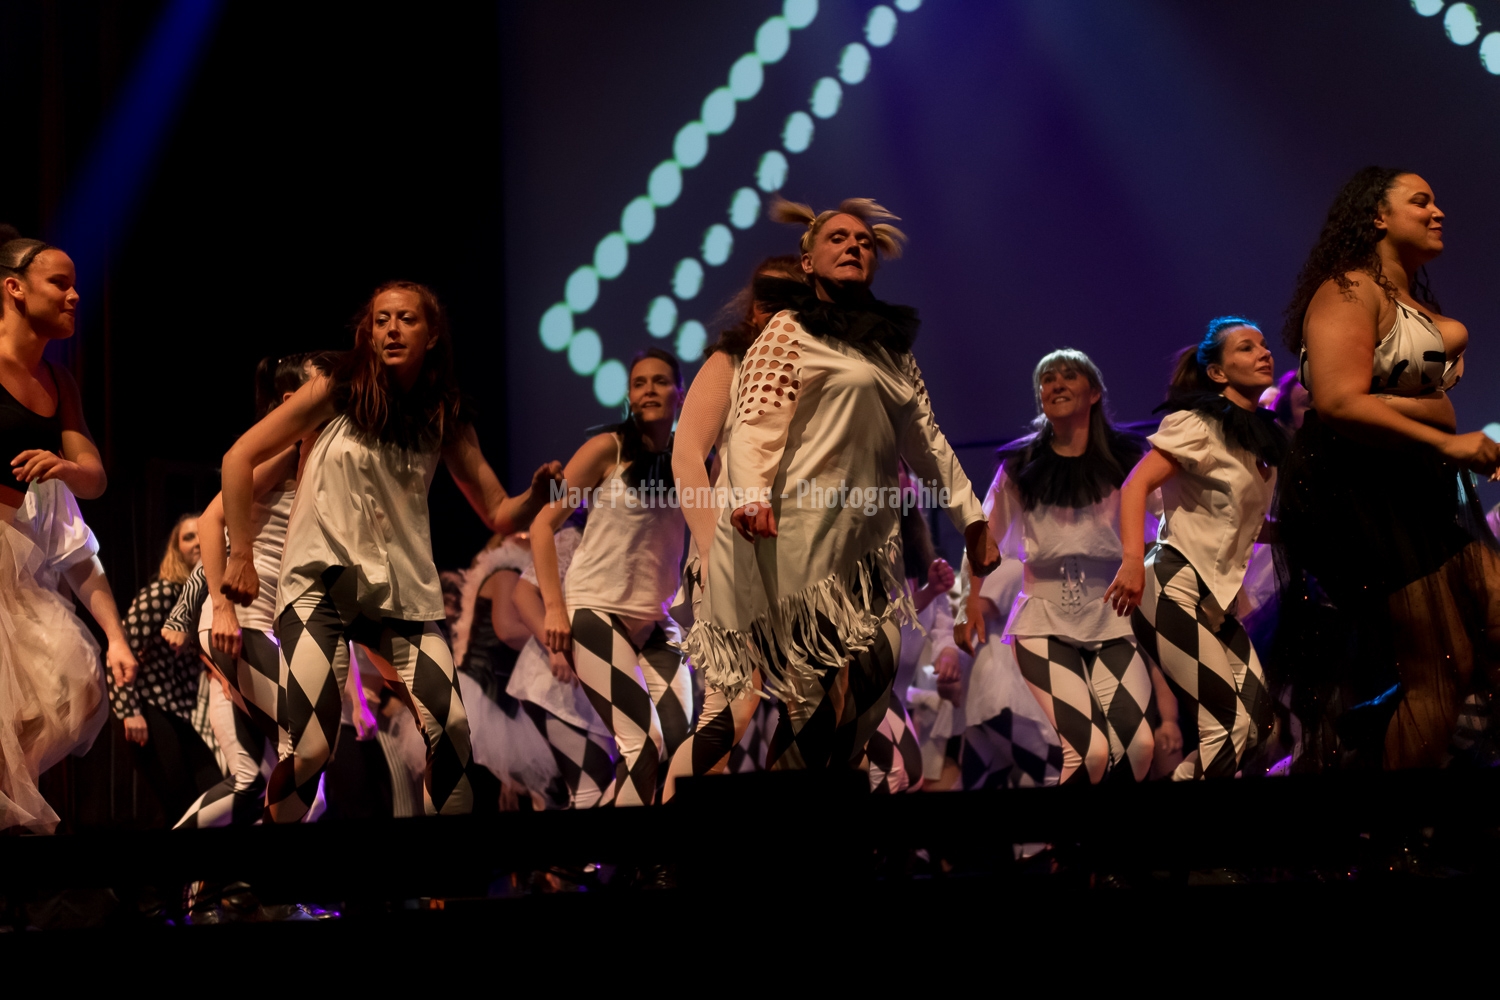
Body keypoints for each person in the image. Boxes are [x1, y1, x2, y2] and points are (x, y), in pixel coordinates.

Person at [218, 280, 561, 821]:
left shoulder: (444, 415)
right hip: (319, 586)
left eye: (406, 319)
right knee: (312, 750)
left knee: (452, 729)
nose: (392, 330)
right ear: (368, 332)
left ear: (432, 335)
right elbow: (239, 457)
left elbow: (499, 512)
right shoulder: (336, 387)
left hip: (399, 594)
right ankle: (274, 852)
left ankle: (435, 865)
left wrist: (538, 496)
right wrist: (240, 556)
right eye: (382, 320)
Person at [683, 198, 998, 774]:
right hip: (799, 543)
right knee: (811, 705)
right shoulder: (789, 330)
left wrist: (972, 518)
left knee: (870, 689)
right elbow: (754, 423)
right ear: (807, 262)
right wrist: (749, 496)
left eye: (864, 242)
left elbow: (926, 440)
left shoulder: (890, 347)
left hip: (868, 551)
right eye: (838, 238)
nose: (854, 245)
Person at [1276, 167, 1500, 769]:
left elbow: (1422, 399)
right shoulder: (1348, 289)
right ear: (1377, 216)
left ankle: (1365, 737)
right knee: (1439, 669)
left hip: (1409, 483)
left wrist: (1442, 429)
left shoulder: (1410, 304)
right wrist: (1449, 444)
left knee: (1488, 628)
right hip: (1355, 487)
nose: (1437, 212)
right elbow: (1338, 400)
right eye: (1420, 201)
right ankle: (1369, 790)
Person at [957, 349, 1167, 785]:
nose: (1056, 384)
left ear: (1094, 393)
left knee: (1140, 746)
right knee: (1090, 753)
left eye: (1069, 375)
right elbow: (983, 535)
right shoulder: (1020, 465)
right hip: (1044, 621)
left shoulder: (1128, 458)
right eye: (1047, 379)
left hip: (1113, 618)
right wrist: (968, 601)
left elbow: (1170, 520)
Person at [0, 231, 137, 833]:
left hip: (17, 565)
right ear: (15, 288)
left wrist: (117, 637)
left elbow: (94, 481)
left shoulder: (59, 383)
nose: (75, 296)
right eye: (59, 283)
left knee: (77, 686)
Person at [1106, 318, 1283, 780]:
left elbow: (1243, 525)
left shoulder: (1253, 441)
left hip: (1212, 603)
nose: (1264, 353)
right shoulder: (1199, 425)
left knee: (1258, 726)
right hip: (1168, 588)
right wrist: (1131, 560)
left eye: (1264, 345)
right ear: (1218, 373)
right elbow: (1135, 486)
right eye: (1246, 348)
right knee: (1228, 722)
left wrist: (1299, 532)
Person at [532, 347, 692, 807]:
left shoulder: (690, 456)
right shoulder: (608, 449)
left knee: (680, 747)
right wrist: (554, 609)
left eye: (660, 381)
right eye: (639, 383)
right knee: (643, 744)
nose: (649, 390)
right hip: (597, 612)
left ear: (680, 393)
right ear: (629, 395)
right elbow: (543, 525)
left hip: (658, 619)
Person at [174, 354, 324, 828]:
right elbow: (210, 520)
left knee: (298, 776)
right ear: (293, 400)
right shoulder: (286, 452)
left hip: (270, 629)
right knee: (306, 748)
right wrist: (221, 610)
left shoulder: (319, 456)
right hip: (241, 624)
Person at [111, 514, 221, 819]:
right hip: (147, 707)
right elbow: (119, 652)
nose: (197, 542)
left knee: (213, 792)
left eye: (202, 534)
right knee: (181, 805)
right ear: (176, 550)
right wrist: (129, 711)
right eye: (188, 537)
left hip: (177, 713)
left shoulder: (203, 600)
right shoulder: (163, 593)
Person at [453, 531, 560, 809]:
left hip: (503, 695)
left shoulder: (508, 572)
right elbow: (509, 630)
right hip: (485, 693)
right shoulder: (507, 572)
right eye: (526, 533)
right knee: (484, 791)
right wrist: (558, 635)